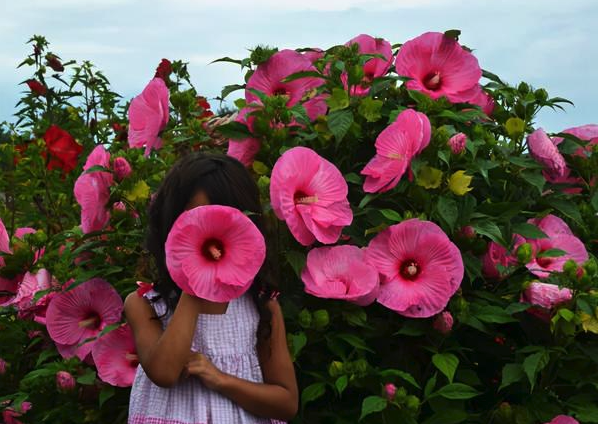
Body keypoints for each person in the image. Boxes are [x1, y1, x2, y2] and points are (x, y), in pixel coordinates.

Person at [124, 152, 298, 424]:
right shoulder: (145, 303)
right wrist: (197, 279)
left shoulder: (262, 307)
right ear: (169, 223)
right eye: (195, 219)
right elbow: (165, 373)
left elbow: (286, 403)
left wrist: (220, 379)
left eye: (225, 220)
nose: (206, 231)